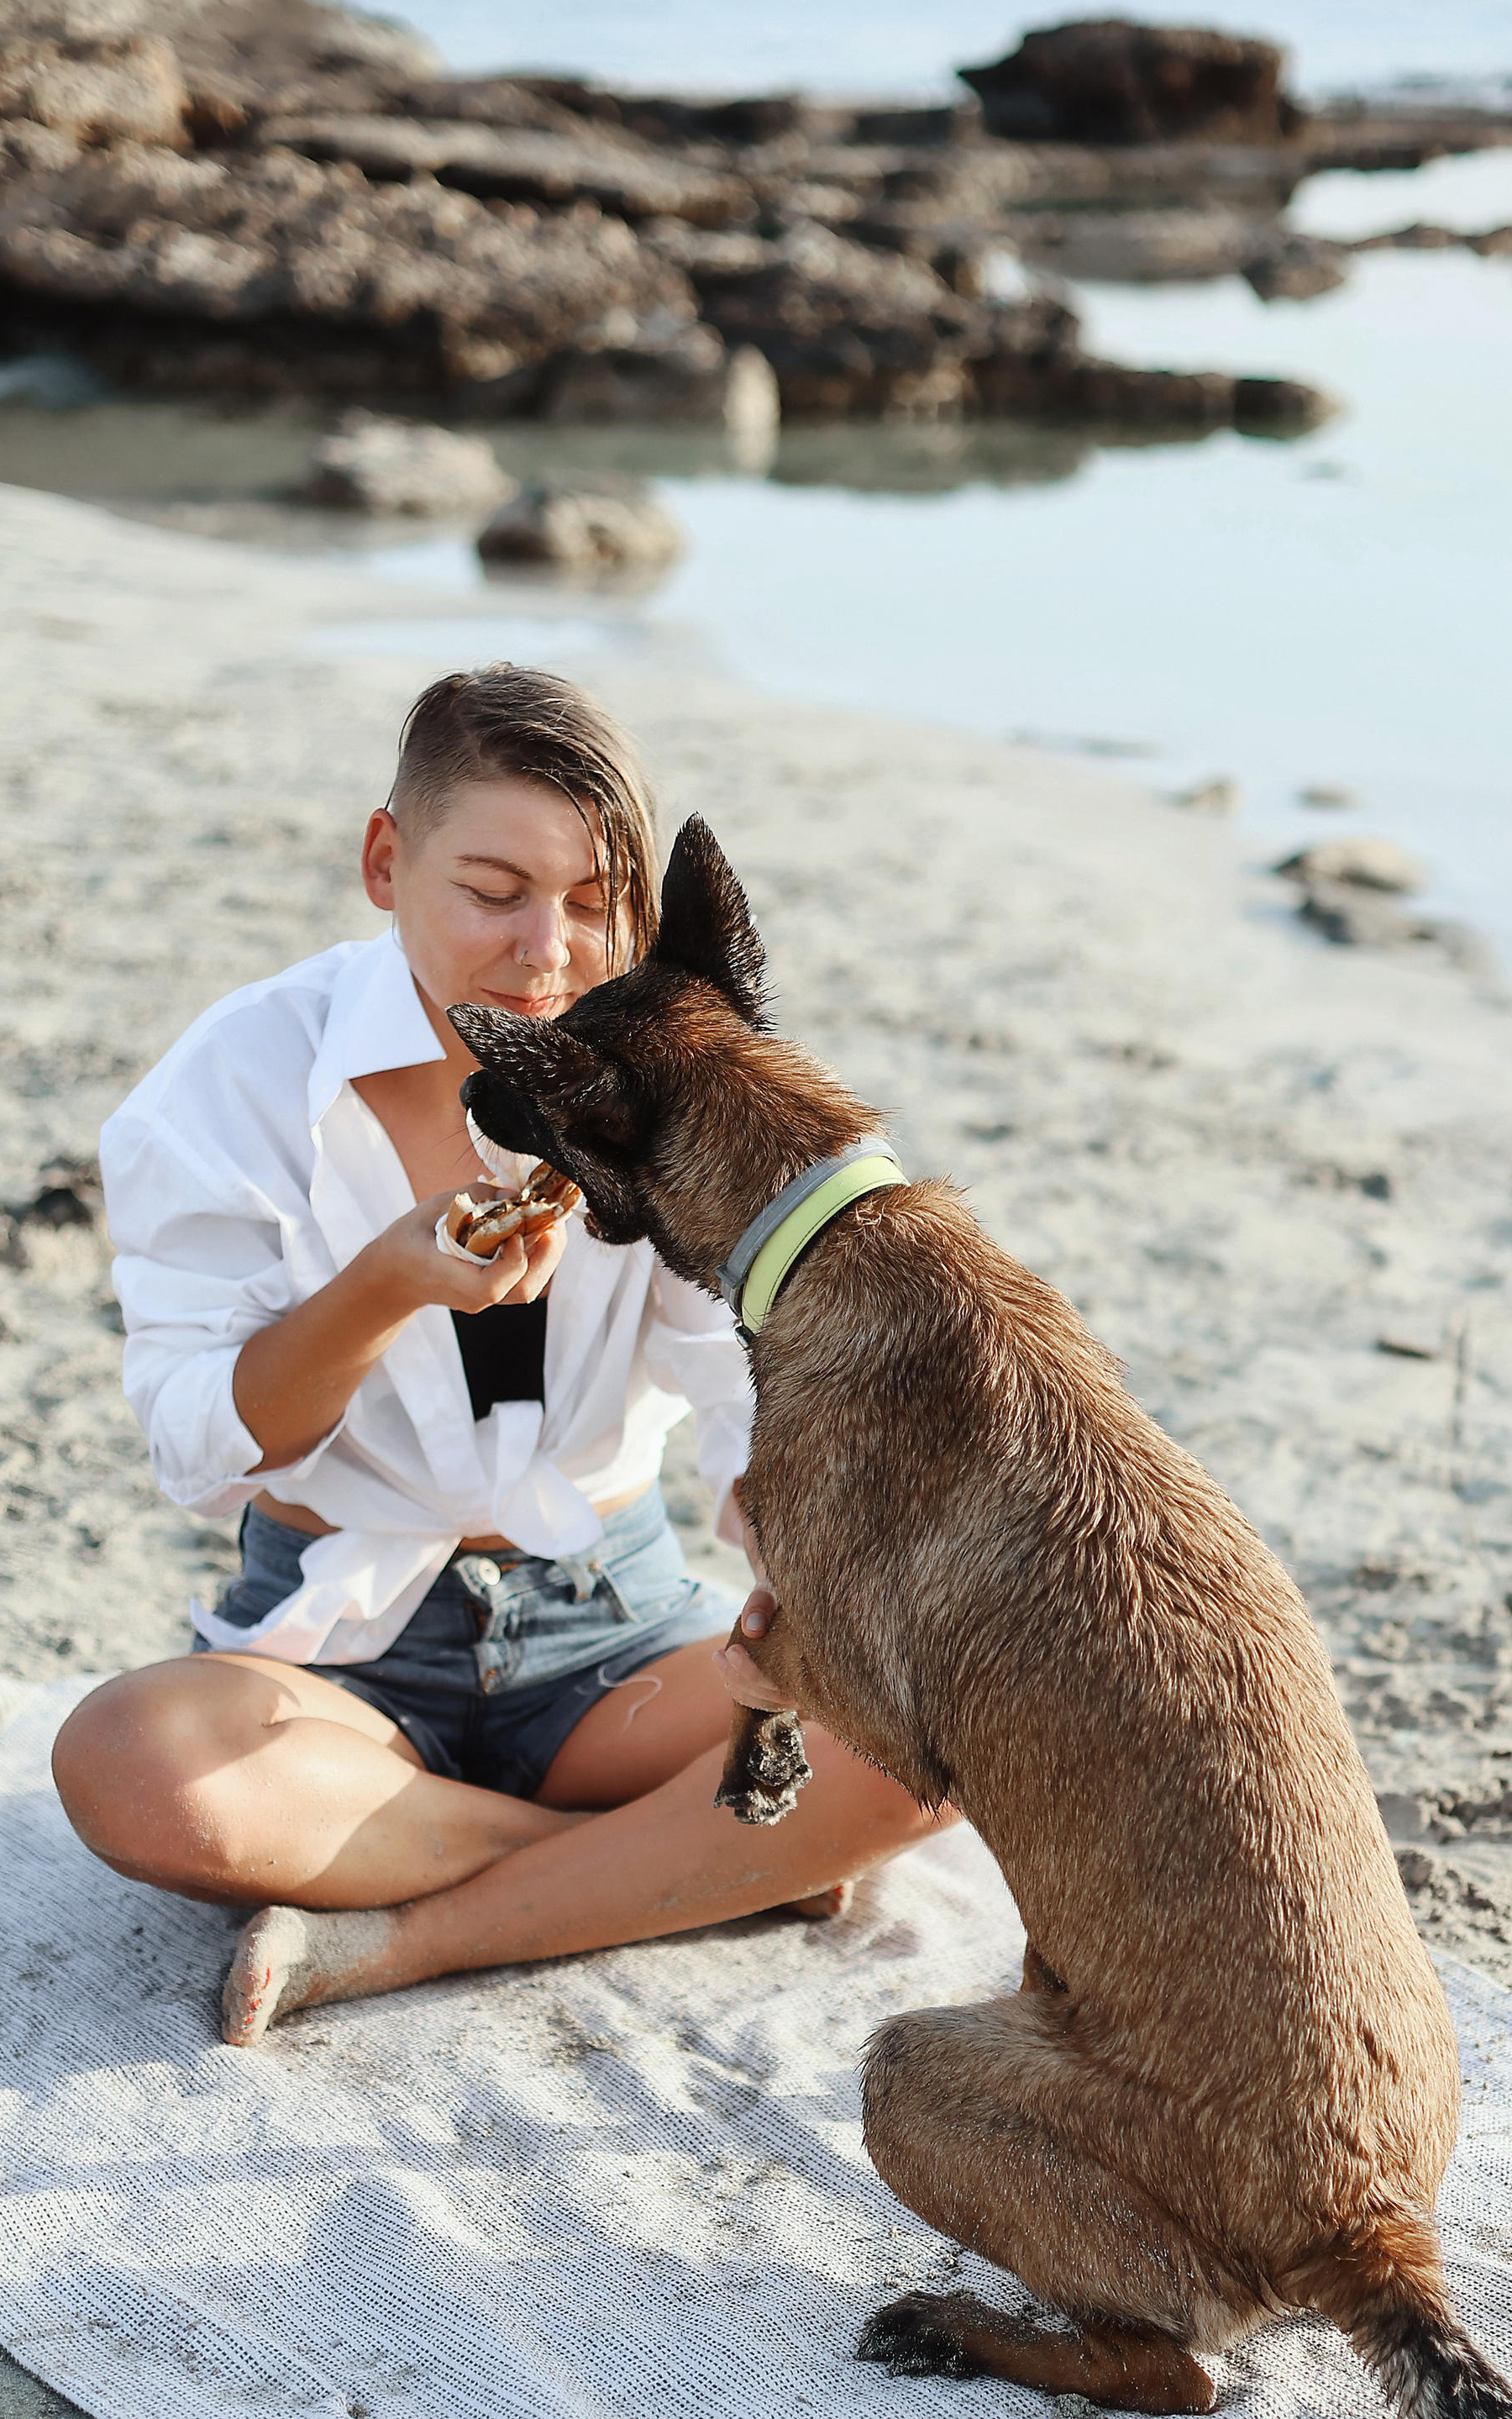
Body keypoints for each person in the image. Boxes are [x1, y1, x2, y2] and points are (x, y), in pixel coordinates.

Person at [53, 665, 936, 2046]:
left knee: (913, 1733)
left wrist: (790, 1550)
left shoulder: (667, 1083)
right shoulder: (230, 1082)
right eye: (493, 890)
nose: (547, 954)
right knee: (126, 1766)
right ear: (384, 860)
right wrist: (382, 1287)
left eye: (594, 905)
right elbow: (196, 1442)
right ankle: (666, 1865)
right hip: (342, 1657)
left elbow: (742, 1387)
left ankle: (405, 1931)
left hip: (616, 1633)